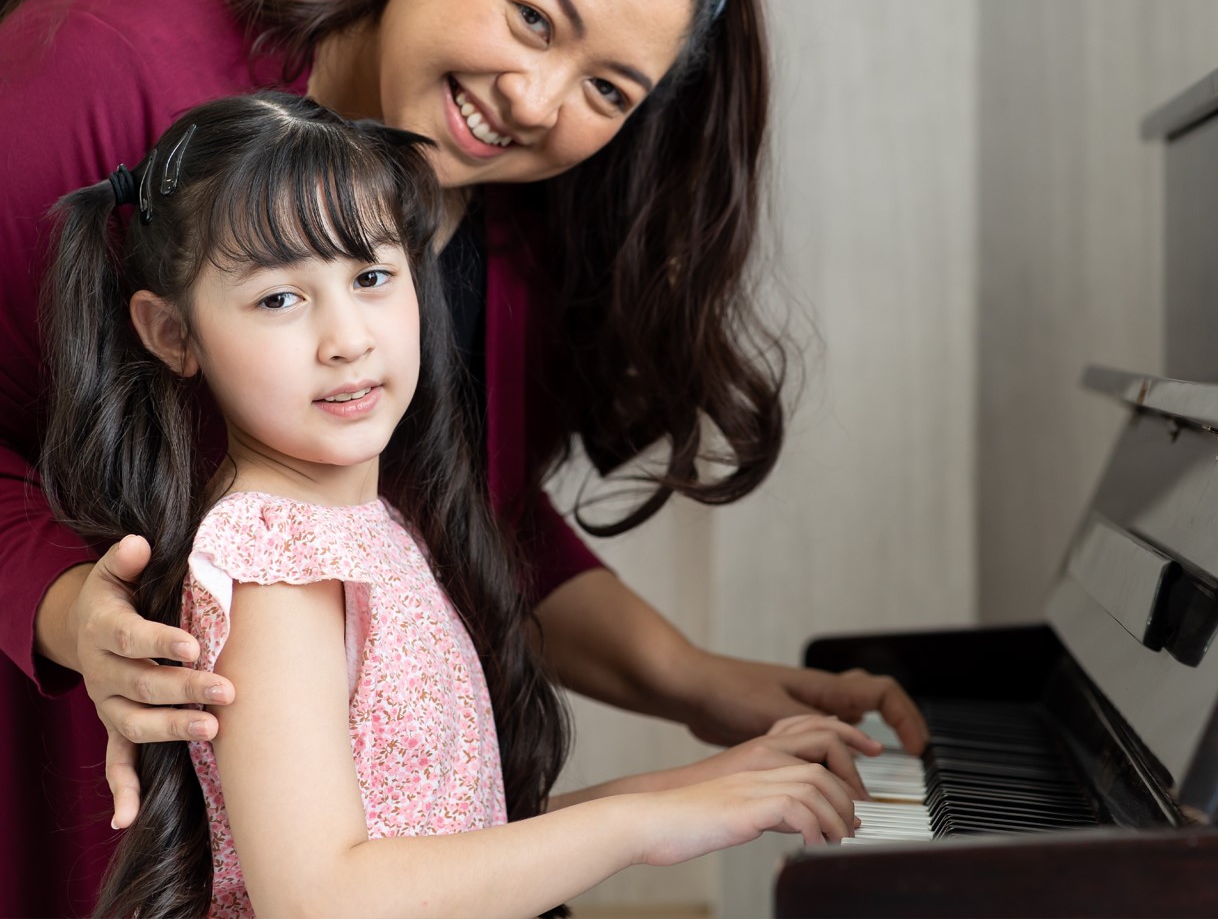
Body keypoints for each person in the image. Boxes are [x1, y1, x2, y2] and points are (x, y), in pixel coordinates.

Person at [0, 0, 927, 913]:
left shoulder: (506, 212)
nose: (533, 103)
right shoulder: (106, 68)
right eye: (535, 19)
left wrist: (695, 685)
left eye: (606, 91)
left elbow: (463, 511)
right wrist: (65, 609)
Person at [41, 90, 874, 918]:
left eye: (371, 275)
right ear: (172, 334)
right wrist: (647, 823)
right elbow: (323, 895)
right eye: (280, 298)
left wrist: (707, 783)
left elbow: (451, 839)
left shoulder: (373, 528)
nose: (348, 338)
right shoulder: (275, 563)